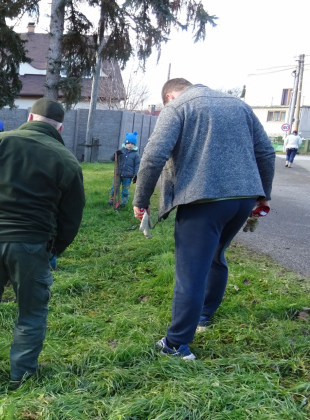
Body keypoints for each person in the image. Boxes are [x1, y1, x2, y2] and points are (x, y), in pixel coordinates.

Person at [133, 78, 275, 359]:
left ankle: (176, 345)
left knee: (191, 273)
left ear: (170, 97)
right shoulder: (239, 105)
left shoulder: (178, 108)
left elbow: (153, 156)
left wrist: (141, 200)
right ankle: (203, 317)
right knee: (216, 257)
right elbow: (266, 152)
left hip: (203, 201)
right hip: (243, 198)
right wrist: (263, 194)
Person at [0, 98, 85, 386]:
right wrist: (54, 249)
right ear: (60, 128)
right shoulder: (66, 160)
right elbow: (71, 218)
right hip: (31, 244)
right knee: (31, 312)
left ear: (29, 117)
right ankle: (22, 378)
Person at [108, 131, 141, 208]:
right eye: (128, 143)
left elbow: (137, 165)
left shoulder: (135, 155)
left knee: (125, 191)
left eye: (132, 144)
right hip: (118, 174)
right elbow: (112, 159)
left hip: (128, 176)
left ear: (134, 145)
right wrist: (115, 154)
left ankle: (123, 203)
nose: (130, 145)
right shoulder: (121, 151)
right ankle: (111, 201)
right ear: (125, 143)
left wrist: (136, 175)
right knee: (114, 188)